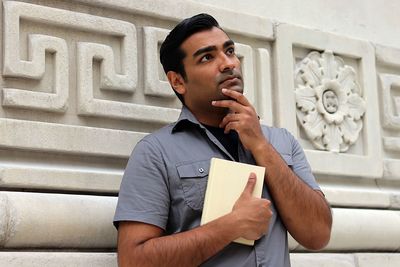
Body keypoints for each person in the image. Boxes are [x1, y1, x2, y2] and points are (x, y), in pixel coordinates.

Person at [114, 13, 332, 267]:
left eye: (229, 51)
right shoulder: (155, 152)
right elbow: (133, 261)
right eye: (208, 57)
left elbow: (318, 234)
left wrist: (260, 145)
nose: (228, 63)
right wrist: (231, 226)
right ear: (178, 81)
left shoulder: (281, 142)